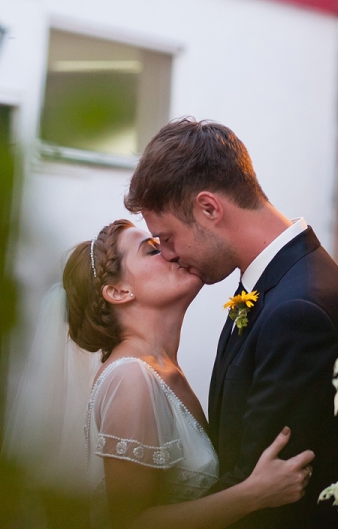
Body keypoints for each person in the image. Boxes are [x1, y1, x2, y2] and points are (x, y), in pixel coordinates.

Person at [124, 118, 338, 528]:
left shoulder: (300, 310)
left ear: (209, 208)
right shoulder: (273, 285)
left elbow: (271, 502)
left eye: (167, 237)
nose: (166, 254)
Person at [63, 218, 315, 529]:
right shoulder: (130, 378)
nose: (172, 252)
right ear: (118, 291)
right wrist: (254, 494)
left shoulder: (164, 372)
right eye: (153, 250)